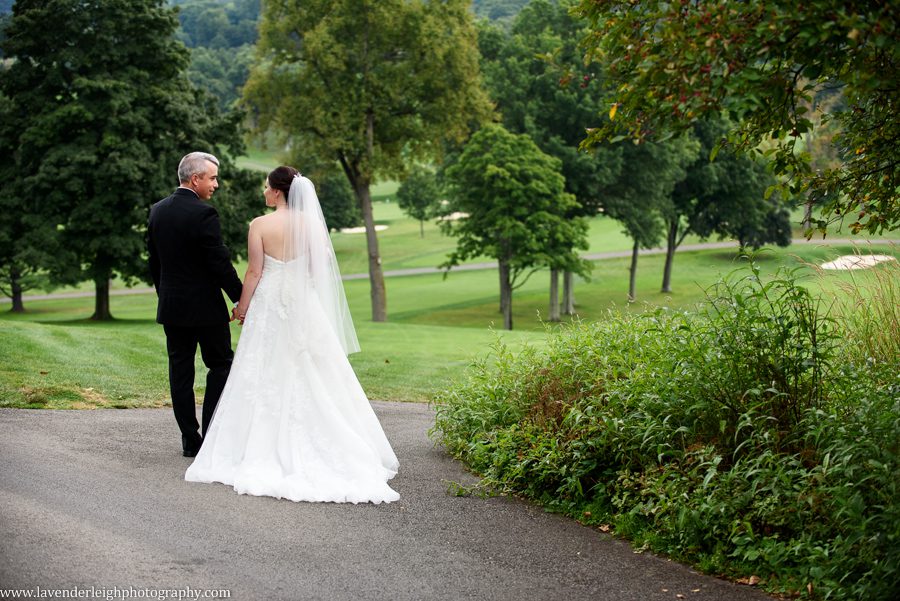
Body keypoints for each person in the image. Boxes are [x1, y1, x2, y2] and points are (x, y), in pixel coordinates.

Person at [185, 166, 399, 504]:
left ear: (277, 191)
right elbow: (317, 270)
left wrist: (242, 308)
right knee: (313, 368)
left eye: (266, 187)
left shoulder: (260, 224)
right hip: (302, 302)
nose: (264, 192)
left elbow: (254, 271)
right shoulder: (312, 225)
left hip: (270, 303)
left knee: (264, 368)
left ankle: (250, 446)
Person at [148, 152, 243, 458]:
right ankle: (211, 434)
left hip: (172, 307)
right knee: (221, 364)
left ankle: (190, 439)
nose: (216, 184)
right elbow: (219, 262)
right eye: (212, 178)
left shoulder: (157, 211)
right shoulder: (204, 214)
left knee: (180, 372)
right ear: (195, 179)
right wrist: (241, 297)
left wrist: (165, 296)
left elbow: (155, 264)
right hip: (206, 310)